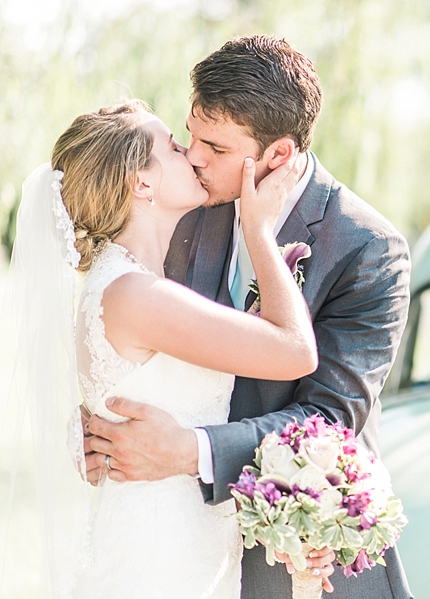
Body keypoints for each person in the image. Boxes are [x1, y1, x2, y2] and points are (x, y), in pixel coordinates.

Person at [82, 36, 414, 599]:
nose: (191, 155)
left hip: (301, 560)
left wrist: (190, 450)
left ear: (277, 156)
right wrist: (94, 431)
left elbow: (329, 421)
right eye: (189, 135)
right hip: (172, 542)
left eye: (212, 144)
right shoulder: (184, 207)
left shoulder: (368, 250)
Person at [1, 100, 338, 597]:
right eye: (177, 148)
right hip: (158, 558)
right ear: (142, 183)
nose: (194, 156)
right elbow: (294, 351)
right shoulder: (137, 295)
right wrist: (260, 233)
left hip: (182, 543)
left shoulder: (130, 284)